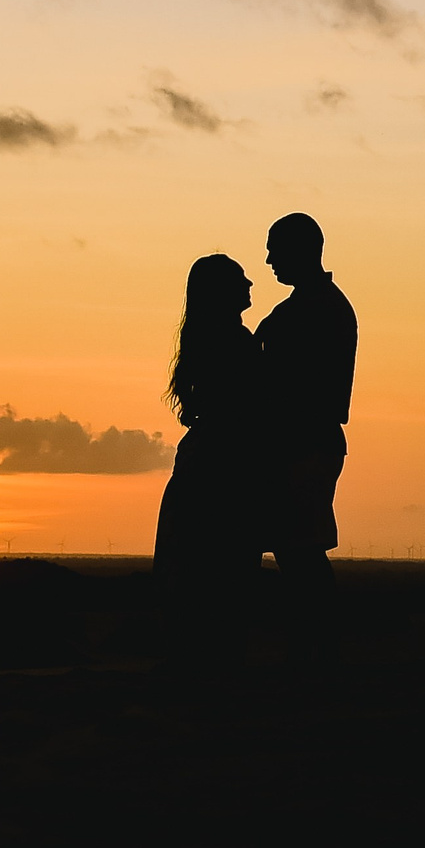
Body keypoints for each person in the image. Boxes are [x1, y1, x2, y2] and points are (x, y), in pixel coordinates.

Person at [255, 213, 357, 606]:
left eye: (275, 250)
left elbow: (299, 388)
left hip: (305, 445)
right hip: (300, 445)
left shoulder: (318, 309)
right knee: (295, 548)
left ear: (301, 250)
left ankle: (319, 632)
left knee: (300, 549)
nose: (269, 261)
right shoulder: (305, 307)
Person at [153, 254, 265, 612]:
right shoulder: (234, 342)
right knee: (223, 571)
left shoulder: (210, 341)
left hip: (202, 461)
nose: (249, 284)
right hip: (224, 466)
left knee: (192, 570)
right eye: (240, 278)